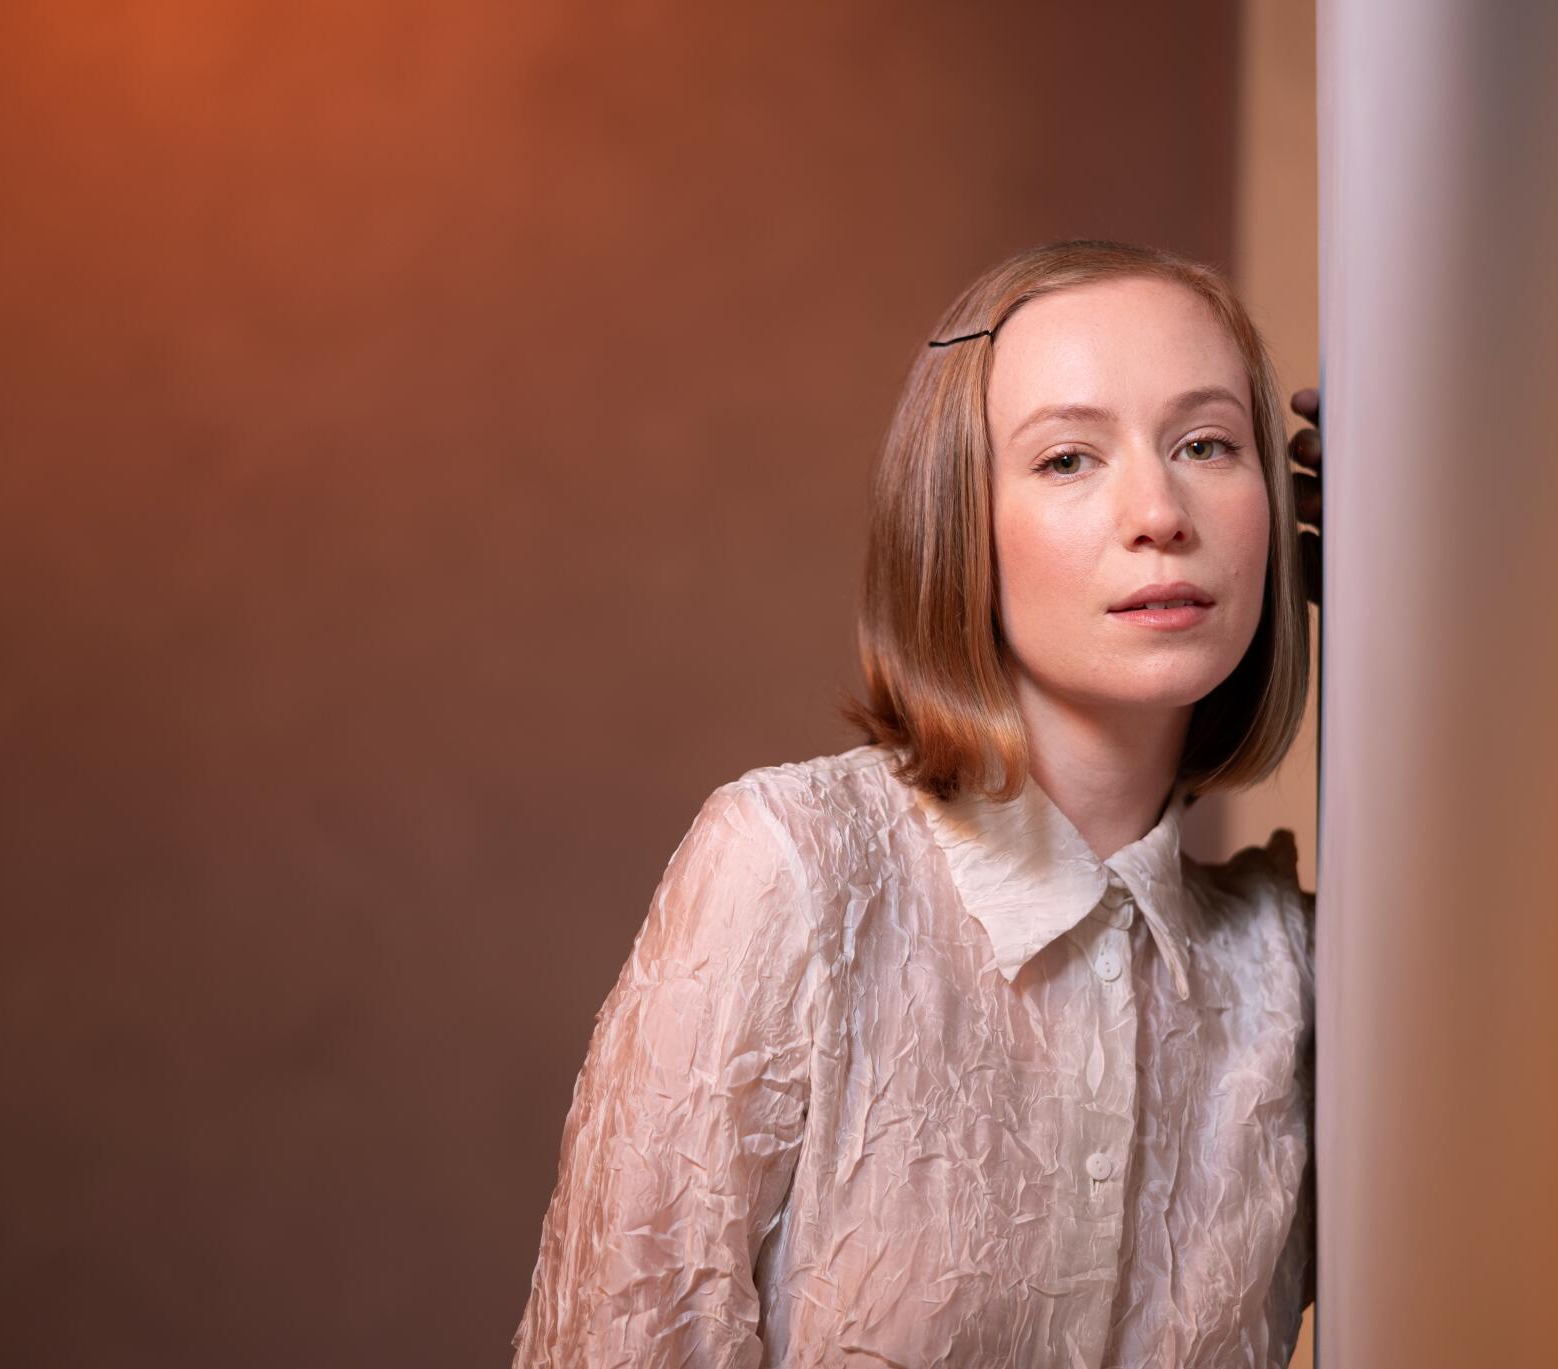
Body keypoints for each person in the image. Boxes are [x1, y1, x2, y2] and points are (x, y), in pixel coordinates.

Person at [511, 239, 1325, 1367]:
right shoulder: (789, 872)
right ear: (955, 522)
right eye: (1065, 460)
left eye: (1205, 444)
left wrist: (1436, 570)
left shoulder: (1286, 973)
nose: (1157, 511)